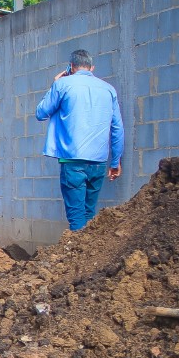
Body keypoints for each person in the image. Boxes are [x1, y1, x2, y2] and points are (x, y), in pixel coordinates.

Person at [35, 49, 124, 231]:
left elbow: (41, 113)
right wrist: (115, 162)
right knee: (89, 215)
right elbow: (117, 128)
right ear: (92, 67)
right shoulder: (108, 89)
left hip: (72, 160)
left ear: (71, 67)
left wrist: (55, 84)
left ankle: (79, 257)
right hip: (99, 161)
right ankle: (89, 256)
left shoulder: (63, 84)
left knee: (76, 217)